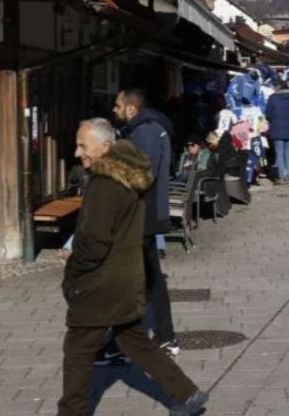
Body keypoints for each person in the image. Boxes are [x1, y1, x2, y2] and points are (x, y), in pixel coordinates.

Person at [58, 118, 207, 416]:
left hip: (101, 283)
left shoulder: (105, 184)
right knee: (134, 340)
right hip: (125, 277)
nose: (77, 153)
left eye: (82, 146)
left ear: (105, 147)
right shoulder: (127, 176)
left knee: (78, 351)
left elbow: (95, 242)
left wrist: (73, 268)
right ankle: (186, 393)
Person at [113, 89, 179, 356]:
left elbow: (141, 174)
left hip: (143, 213)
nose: (113, 109)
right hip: (143, 213)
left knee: (131, 279)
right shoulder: (142, 130)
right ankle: (161, 336)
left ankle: (124, 343)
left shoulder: (147, 131)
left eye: (117, 105)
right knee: (146, 278)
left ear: (131, 109)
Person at [265, 80, 289, 186]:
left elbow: (268, 114)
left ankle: (282, 177)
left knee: (279, 154)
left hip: (276, 129)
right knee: (288, 154)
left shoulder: (273, 98)